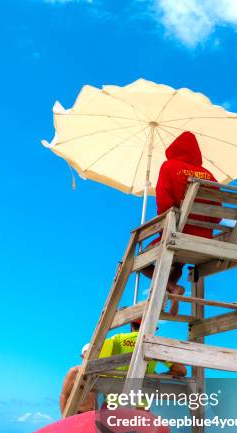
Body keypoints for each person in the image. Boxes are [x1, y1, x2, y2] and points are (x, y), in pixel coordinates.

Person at [142, 131, 221, 316]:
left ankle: (171, 287)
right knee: (177, 261)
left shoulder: (169, 167)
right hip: (204, 238)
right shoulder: (209, 175)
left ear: (174, 148)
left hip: (178, 233)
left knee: (138, 259)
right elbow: (217, 215)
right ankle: (172, 288)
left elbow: (164, 205)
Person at [59, 318, 186, 416]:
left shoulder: (117, 339)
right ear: (153, 328)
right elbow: (181, 370)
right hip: (140, 407)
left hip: (113, 405)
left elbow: (91, 361)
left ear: (131, 325)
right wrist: (156, 376)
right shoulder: (156, 345)